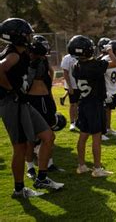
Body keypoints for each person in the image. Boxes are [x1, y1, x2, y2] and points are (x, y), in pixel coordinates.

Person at [0, 18, 64, 199]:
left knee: (48, 136)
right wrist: (11, 89)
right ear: (17, 36)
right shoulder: (13, 54)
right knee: (19, 148)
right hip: (12, 104)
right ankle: (19, 189)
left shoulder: (21, 51)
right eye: (26, 33)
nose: (30, 36)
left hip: (22, 102)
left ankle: (42, 178)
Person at [70, 35, 116, 177]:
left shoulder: (75, 66)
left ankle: (81, 166)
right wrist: (109, 51)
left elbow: (91, 63)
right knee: (96, 137)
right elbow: (115, 63)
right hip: (95, 105)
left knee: (83, 135)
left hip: (83, 104)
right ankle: (97, 169)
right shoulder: (95, 65)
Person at [25, 35, 66, 179]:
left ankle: (49, 163)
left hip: (45, 98)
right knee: (31, 136)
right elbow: (27, 81)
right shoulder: (28, 60)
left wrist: (49, 93)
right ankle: (30, 167)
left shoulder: (43, 59)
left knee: (49, 132)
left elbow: (50, 72)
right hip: (33, 100)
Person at [60, 44, 79, 131]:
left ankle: (79, 121)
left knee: (82, 105)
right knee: (73, 104)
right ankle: (72, 122)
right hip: (73, 85)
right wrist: (70, 87)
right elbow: (65, 73)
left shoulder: (84, 56)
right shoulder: (67, 58)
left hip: (83, 85)